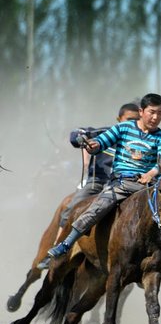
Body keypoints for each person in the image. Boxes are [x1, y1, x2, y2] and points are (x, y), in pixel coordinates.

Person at [46, 93, 161, 280]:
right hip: (121, 183)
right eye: (151, 112)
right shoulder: (123, 128)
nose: (155, 117)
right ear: (141, 111)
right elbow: (100, 143)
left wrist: (151, 174)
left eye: (160, 113)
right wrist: (92, 145)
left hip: (148, 188)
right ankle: (67, 244)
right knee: (96, 208)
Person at [36, 104, 141, 270]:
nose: (133, 123)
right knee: (71, 208)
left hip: (125, 185)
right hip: (97, 183)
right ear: (119, 119)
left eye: (137, 120)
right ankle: (58, 249)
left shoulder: (143, 140)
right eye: (130, 119)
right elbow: (78, 134)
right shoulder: (105, 132)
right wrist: (80, 137)